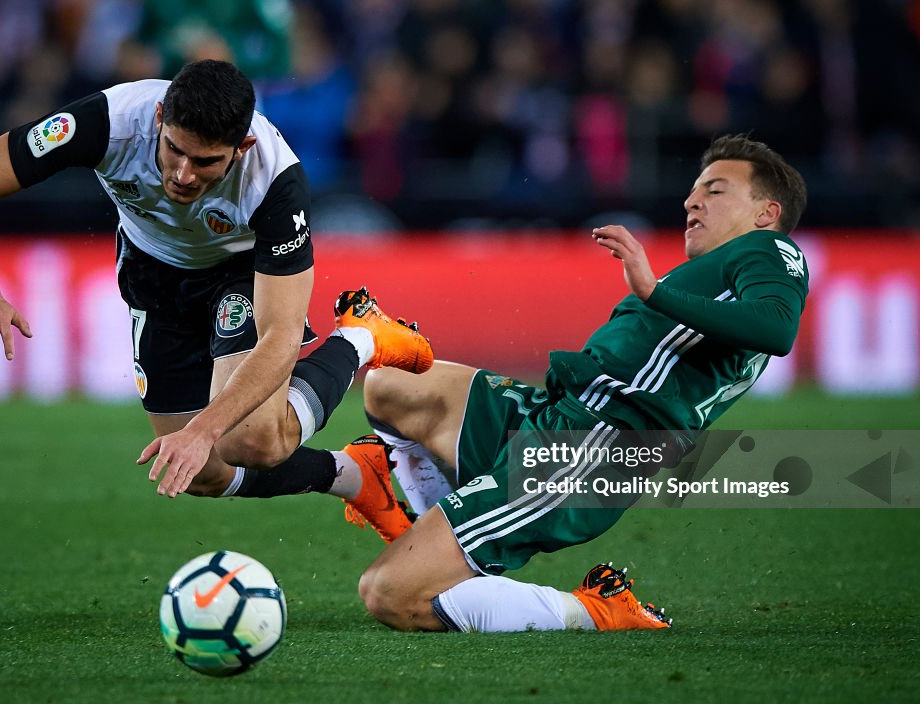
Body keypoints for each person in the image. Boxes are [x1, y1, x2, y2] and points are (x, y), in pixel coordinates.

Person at [0, 59, 433, 535]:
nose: (184, 175)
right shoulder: (109, 122)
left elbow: (280, 337)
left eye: (206, 161)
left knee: (251, 439)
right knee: (200, 473)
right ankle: (354, 474)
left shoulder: (275, 181)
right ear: (158, 117)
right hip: (153, 274)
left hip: (240, 271)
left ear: (242, 146)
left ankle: (360, 337)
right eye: (175, 150)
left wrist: (205, 429)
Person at [347, 134, 810, 632]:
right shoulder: (711, 274)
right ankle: (434, 531)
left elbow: (777, 326)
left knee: (389, 594)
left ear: (766, 213)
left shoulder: (771, 248)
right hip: (557, 412)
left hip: (588, 450)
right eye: (694, 190)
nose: (692, 200)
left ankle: (594, 610)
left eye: (716, 191)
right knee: (391, 382)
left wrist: (652, 290)